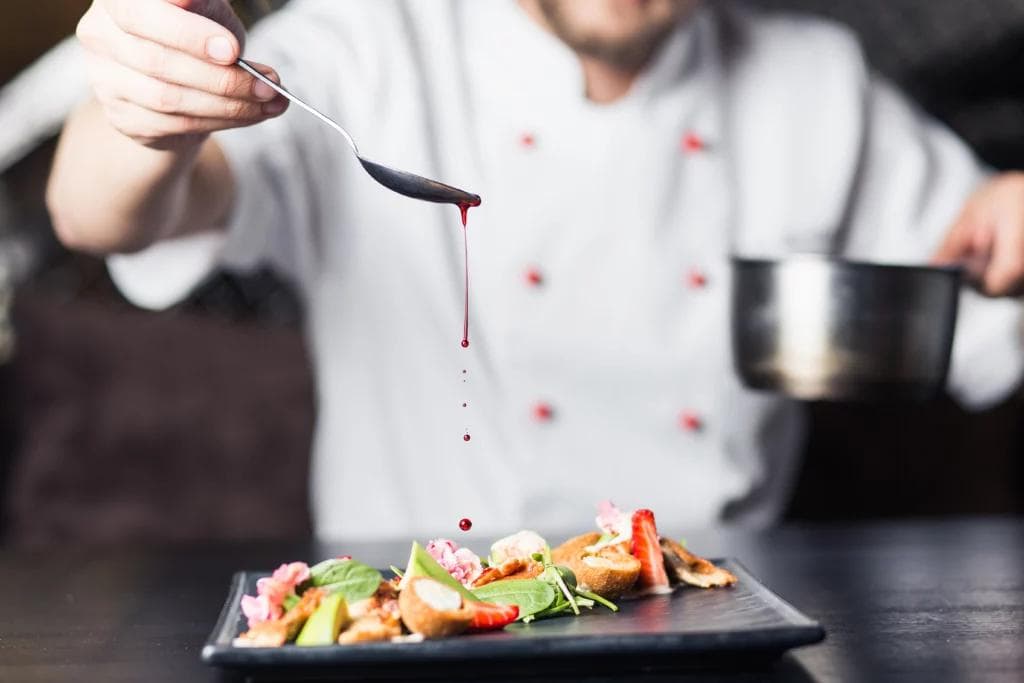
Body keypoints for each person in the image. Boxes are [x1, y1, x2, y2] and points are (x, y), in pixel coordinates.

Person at [46, 0, 1024, 539]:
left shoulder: (814, 83)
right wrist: (143, 109)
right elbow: (103, 214)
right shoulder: (367, 44)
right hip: (414, 622)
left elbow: (992, 308)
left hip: (723, 620)